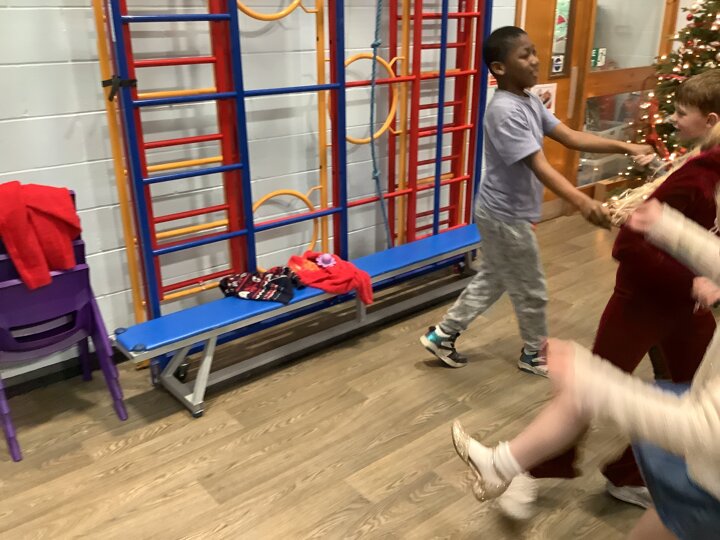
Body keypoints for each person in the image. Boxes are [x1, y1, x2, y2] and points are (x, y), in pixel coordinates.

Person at [451, 198, 720, 539]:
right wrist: (670, 228)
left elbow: (703, 430)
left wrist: (595, 383)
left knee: (586, 389)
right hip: (704, 473)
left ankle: (511, 466)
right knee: (584, 391)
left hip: (709, 486)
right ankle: (508, 466)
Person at [527, 70, 720, 510]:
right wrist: (693, 278)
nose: (673, 119)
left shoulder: (703, 169)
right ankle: (523, 467)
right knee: (589, 387)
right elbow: (630, 244)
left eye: (681, 113)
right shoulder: (695, 173)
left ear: (710, 121)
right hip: (642, 302)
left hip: (685, 309)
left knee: (691, 392)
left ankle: (628, 474)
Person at [420, 26, 651, 375]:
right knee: (532, 290)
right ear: (500, 68)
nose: (535, 60)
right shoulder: (504, 111)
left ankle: (442, 335)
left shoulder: (528, 100)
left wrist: (626, 146)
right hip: (505, 216)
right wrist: (582, 201)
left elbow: (570, 137)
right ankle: (533, 354)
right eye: (524, 55)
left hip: (504, 212)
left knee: (495, 277)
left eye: (534, 51)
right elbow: (539, 165)